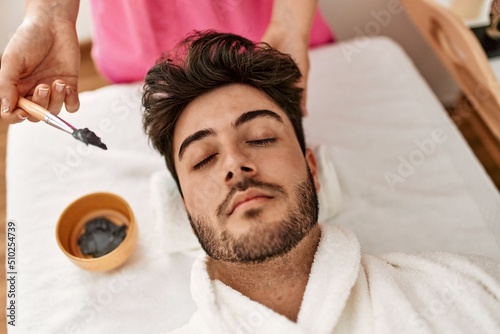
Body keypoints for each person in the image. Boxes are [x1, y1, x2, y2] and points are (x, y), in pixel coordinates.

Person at [142, 31, 500, 333]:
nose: (235, 163)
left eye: (261, 137)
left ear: (312, 170)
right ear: (186, 208)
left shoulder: (469, 292)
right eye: (204, 158)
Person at [0, 0, 333, 124]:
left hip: (262, 21)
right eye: (205, 157)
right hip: (139, 29)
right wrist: (50, 13)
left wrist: (289, 22)